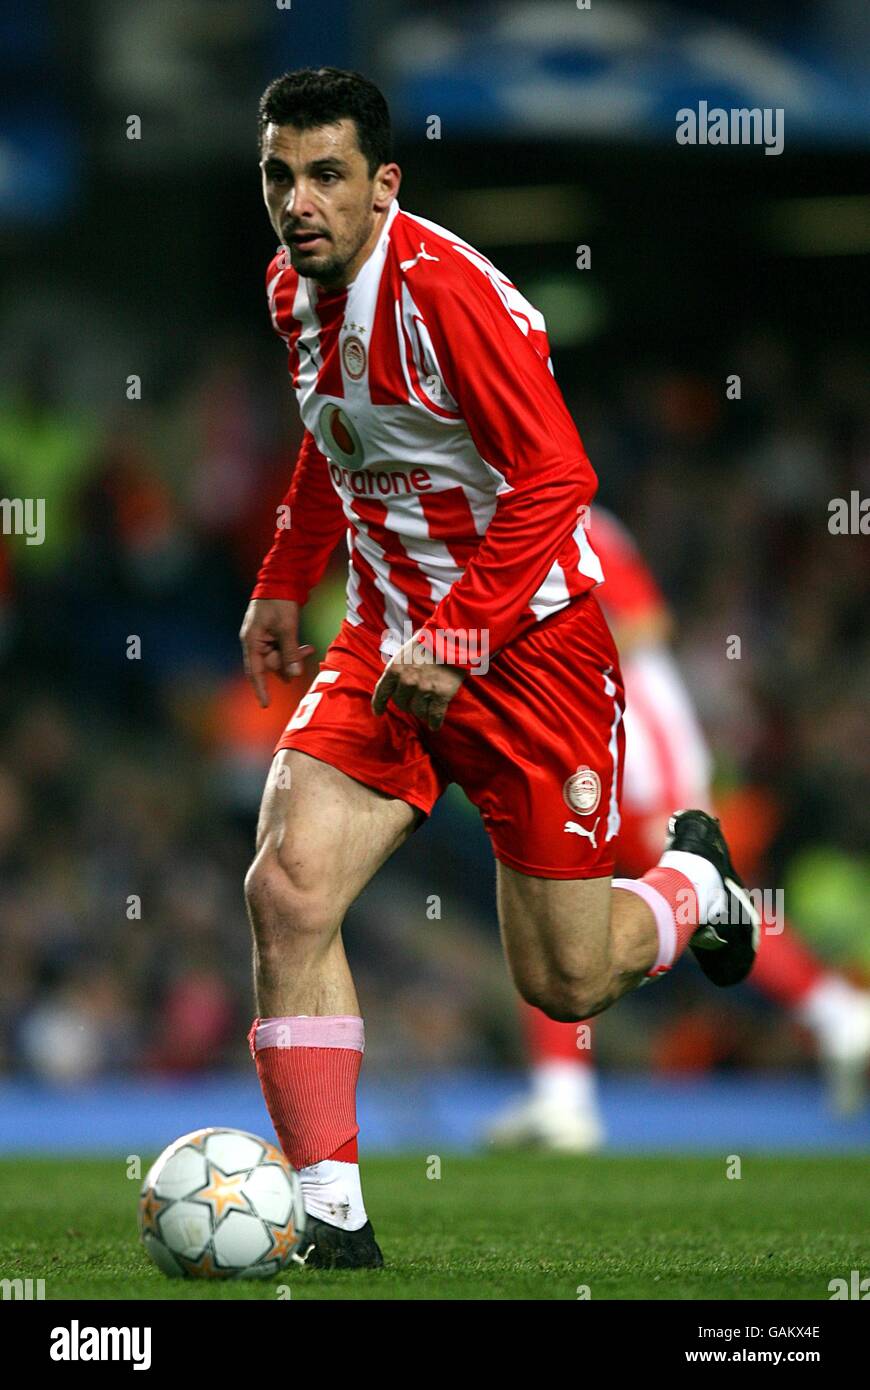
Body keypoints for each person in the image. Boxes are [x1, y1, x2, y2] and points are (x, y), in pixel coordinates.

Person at [239, 68, 758, 1269]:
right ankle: (332, 1218)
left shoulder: (445, 297)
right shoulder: (292, 289)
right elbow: (338, 442)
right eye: (280, 176)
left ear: (384, 185)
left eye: (326, 176)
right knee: (288, 886)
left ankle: (693, 889)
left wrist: (461, 634)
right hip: (386, 639)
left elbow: (557, 478)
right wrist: (283, 574)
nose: (300, 203)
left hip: (529, 651)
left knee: (566, 984)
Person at [488, 507, 870, 1151]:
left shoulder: (567, 516)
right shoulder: (469, 517)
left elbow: (644, 621)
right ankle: (563, 1097)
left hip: (631, 733)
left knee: (686, 889)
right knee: (545, 895)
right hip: (568, 735)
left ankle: (837, 1013)